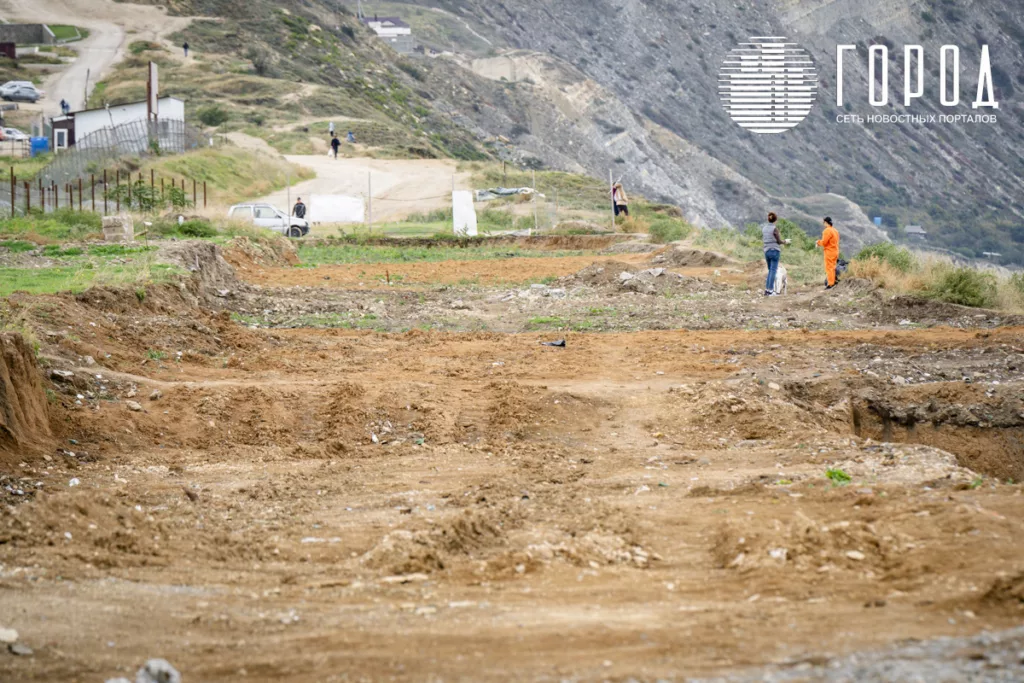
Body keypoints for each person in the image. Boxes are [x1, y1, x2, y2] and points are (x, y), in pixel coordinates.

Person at [762, 212, 786, 296]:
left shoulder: (764, 228)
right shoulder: (774, 229)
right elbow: (778, 241)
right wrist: (785, 242)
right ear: (775, 220)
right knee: (773, 270)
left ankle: (767, 290)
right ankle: (771, 291)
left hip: (766, 251)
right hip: (774, 251)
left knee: (770, 271)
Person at [816, 216, 841, 289]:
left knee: (829, 268)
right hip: (835, 251)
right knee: (833, 267)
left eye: (823, 222)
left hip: (829, 252)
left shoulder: (827, 231)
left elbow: (824, 242)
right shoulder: (835, 231)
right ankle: (833, 281)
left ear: (826, 222)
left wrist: (818, 242)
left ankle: (830, 284)